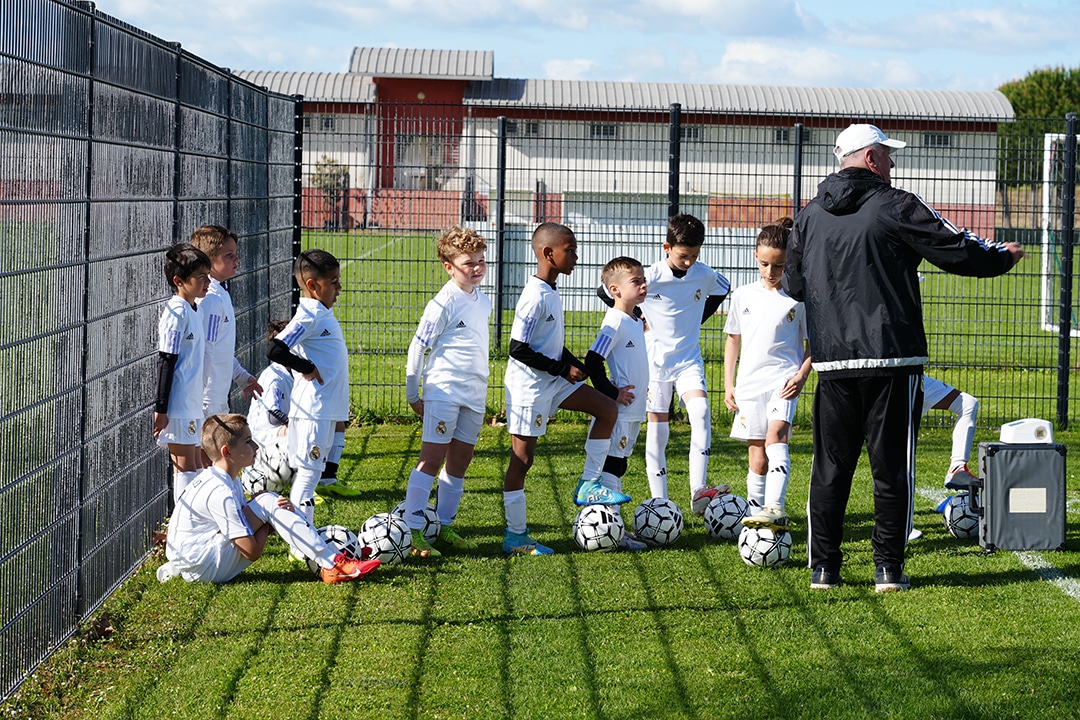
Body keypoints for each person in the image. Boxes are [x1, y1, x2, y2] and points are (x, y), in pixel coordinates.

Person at [783, 123, 1025, 592]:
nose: (893, 165)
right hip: (891, 357)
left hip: (832, 361)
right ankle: (888, 570)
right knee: (891, 467)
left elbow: (795, 285)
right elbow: (954, 248)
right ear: (871, 158)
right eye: (888, 156)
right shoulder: (896, 204)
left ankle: (824, 570)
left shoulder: (808, 215)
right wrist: (1001, 257)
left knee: (830, 468)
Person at [501, 222, 623, 556]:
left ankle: (588, 485)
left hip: (552, 381)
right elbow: (517, 348)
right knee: (522, 461)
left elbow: (548, 343)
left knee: (607, 409)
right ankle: (516, 537)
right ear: (547, 253)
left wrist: (572, 362)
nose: (576, 256)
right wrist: (561, 367)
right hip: (529, 388)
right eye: (570, 250)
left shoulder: (551, 290)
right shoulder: (533, 297)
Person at [156, 413, 380, 584]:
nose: (255, 447)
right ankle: (332, 564)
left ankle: (333, 555)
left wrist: (270, 512)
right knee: (267, 502)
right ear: (227, 452)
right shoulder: (219, 492)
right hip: (201, 566)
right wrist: (270, 518)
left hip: (196, 558)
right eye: (248, 442)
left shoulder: (225, 479)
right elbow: (251, 551)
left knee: (267, 500)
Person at [402, 226, 492, 558]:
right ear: (448, 266)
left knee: (460, 461)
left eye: (482, 261)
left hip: (475, 393)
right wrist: (414, 395)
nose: (478, 268)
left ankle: (443, 525)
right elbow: (417, 348)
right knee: (432, 458)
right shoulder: (442, 303)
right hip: (444, 391)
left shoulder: (482, 301)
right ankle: (413, 531)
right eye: (469, 263)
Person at [639, 213, 731, 516]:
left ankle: (698, 491)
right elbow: (607, 291)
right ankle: (661, 502)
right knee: (658, 426)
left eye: (694, 255)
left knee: (701, 412)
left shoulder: (704, 274)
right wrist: (636, 318)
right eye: (683, 255)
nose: (689, 261)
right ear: (667, 247)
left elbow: (722, 288)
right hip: (655, 363)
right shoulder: (649, 276)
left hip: (688, 360)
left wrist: (696, 318)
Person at [722, 218, 811, 532]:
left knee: (776, 437)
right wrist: (728, 383)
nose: (770, 272)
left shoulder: (798, 299)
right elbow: (734, 338)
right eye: (764, 264)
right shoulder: (744, 295)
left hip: (783, 382)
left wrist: (801, 375)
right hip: (748, 385)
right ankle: (755, 516)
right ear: (755, 258)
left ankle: (776, 507)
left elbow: (813, 344)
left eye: (778, 265)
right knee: (757, 459)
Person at [265, 249, 352, 528]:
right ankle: (301, 539)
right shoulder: (309, 314)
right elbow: (276, 350)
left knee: (312, 474)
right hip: (312, 410)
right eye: (334, 282)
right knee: (308, 475)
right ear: (313, 286)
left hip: (324, 410)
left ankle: (303, 535)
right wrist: (305, 367)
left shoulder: (320, 312)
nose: (340, 288)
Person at [584, 257, 651, 551]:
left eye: (643, 279)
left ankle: (608, 526)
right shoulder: (614, 322)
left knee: (619, 463)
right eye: (636, 281)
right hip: (622, 411)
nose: (643, 285)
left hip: (633, 411)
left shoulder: (635, 319)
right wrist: (612, 394)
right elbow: (592, 360)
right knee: (613, 464)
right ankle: (612, 528)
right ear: (615, 290)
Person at [153, 243, 212, 505]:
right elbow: (166, 360)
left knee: (197, 467)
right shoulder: (175, 313)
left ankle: (191, 530)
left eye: (208, 276)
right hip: (178, 408)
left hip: (192, 404)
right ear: (179, 281)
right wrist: (161, 409)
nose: (207, 282)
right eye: (201, 277)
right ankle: (181, 535)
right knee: (186, 470)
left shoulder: (192, 309)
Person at [189, 225, 261, 416]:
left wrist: (241, 376)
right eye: (229, 255)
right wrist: (198, 394)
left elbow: (221, 347)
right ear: (209, 261)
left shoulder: (220, 292)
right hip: (206, 400)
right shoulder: (211, 299)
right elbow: (206, 348)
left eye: (235, 253)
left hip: (215, 398)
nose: (236, 259)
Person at [907, 375, 980, 541]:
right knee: (895, 457)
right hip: (884, 376)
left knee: (967, 403)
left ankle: (958, 467)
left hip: (911, 374)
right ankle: (900, 526)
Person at [246, 320, 293, 477]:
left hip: (274, 436)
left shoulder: (292, 372)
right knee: (302, 431)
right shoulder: (275, 376)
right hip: (263, 440)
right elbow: (273, 415)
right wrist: (295, 425)